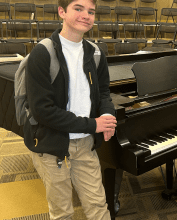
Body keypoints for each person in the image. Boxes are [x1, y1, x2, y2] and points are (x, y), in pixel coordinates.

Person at [24, 0, 117, 219]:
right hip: (52, 146)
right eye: (78, 8)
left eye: (91, 11)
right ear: (62, 11)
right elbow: (42, 110)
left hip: (85, 143)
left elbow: (103, 93)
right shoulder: (42, 53)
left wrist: (107, 114)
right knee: (62, 212)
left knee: (98, 207)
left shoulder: (95, 53)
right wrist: (93, 124)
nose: (86, 15)